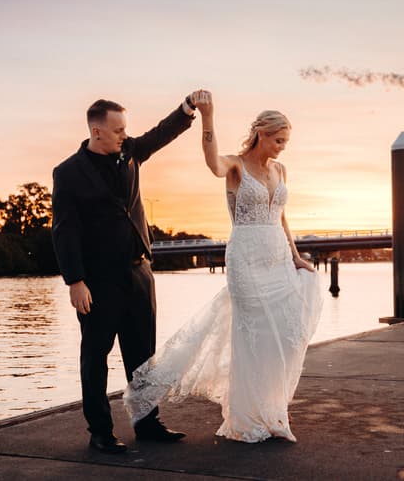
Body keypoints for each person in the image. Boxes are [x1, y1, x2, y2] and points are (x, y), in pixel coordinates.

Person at [125, 96, 323, 443]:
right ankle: (247, 419)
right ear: (261, 133)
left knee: (284, 341)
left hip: (277, 257)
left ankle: (273, 410)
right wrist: (208, 116)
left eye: (286, 142)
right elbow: (212, 162)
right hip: (246, 260)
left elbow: (282, 216)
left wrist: (295, 256)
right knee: (253, 340)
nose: (282, 148)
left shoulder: (280, 170)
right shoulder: (235, 166)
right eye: (279, 140)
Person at [51, 91, 210, 454]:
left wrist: (187, 108)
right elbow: (65, 229)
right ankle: (101, 432)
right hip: (97, 281)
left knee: (143, 357)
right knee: (95, 356)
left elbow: (160, 134)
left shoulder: (130, 152)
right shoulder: (68, 173)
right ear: (97, 131)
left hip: (139, 273)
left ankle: (147, 422)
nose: (125, 134)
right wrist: (75, 281)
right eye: (118, 129)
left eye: (126, 128)